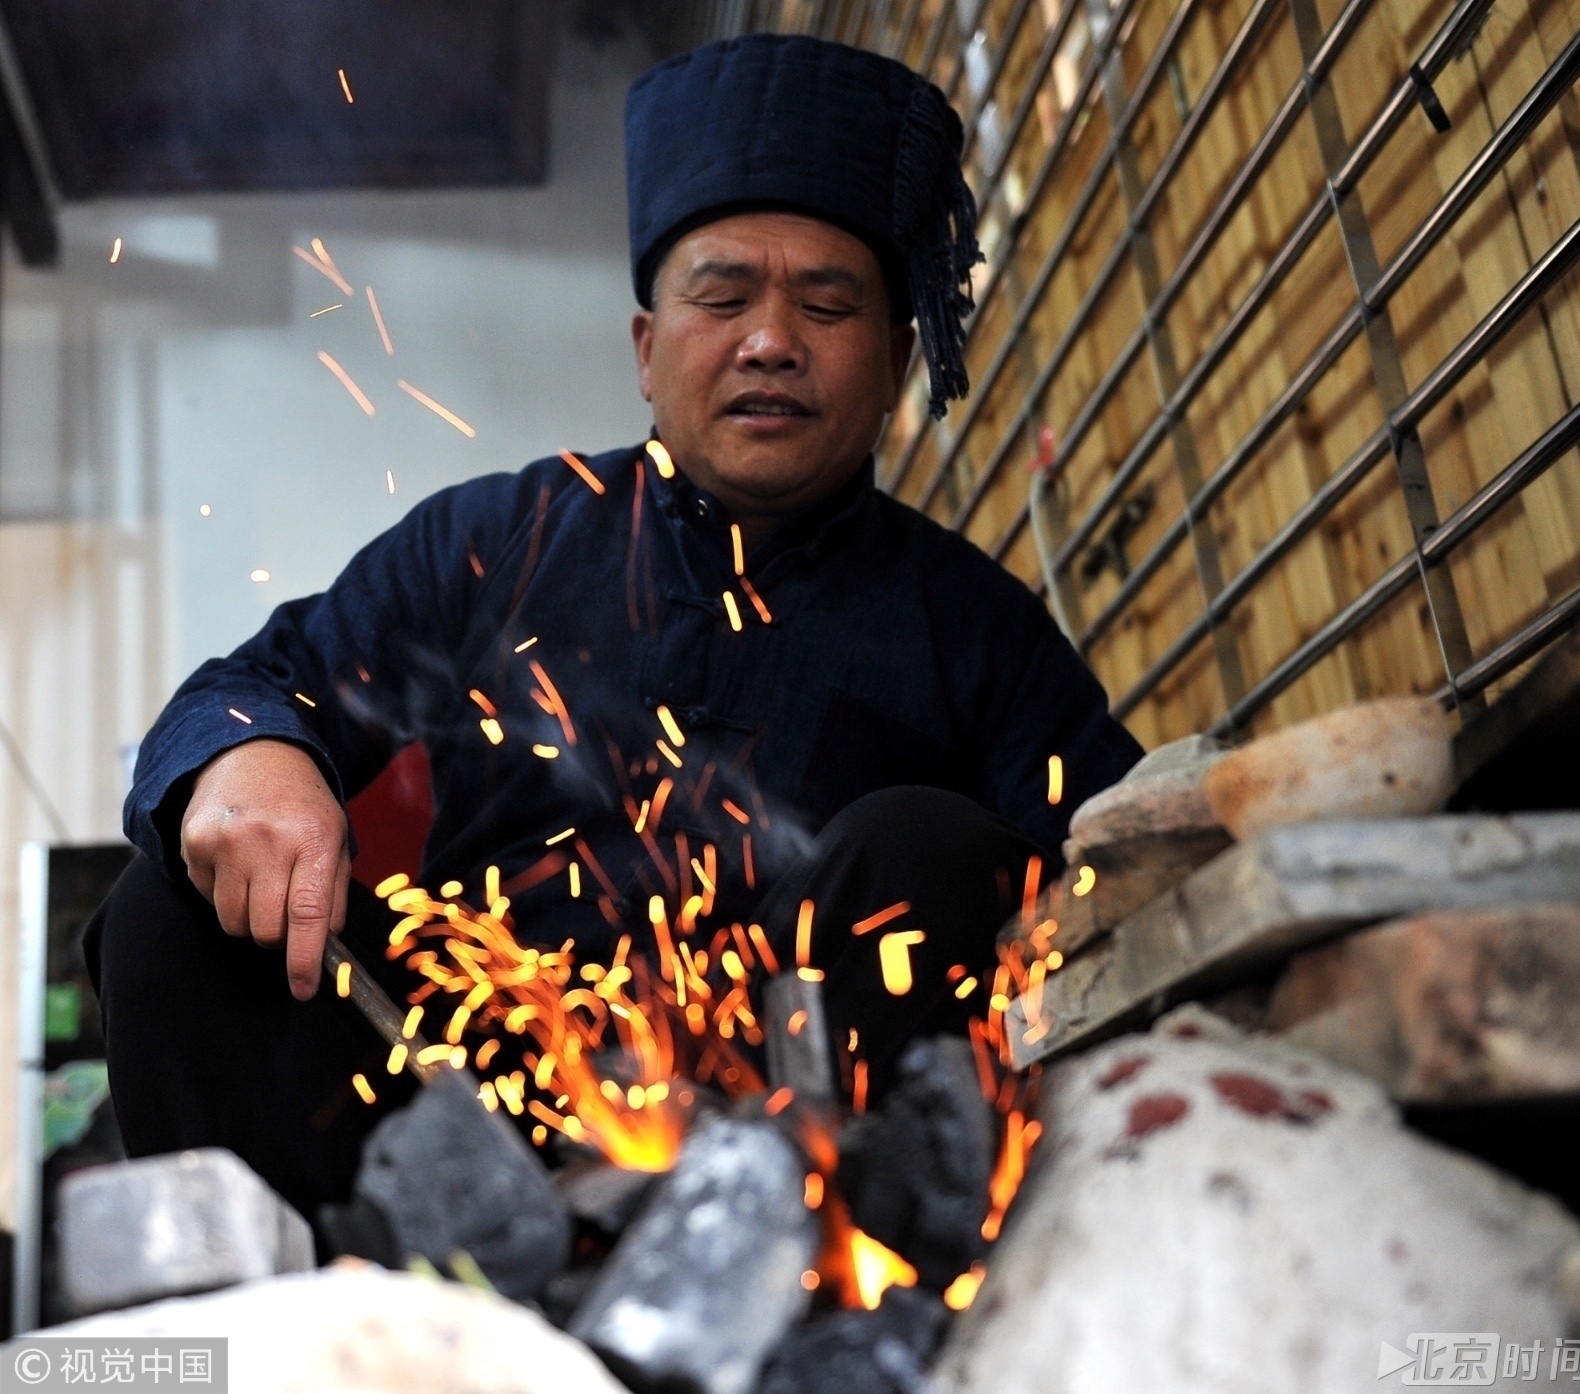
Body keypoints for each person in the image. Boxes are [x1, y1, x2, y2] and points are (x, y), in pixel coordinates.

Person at [88, 32, 1142, 1218]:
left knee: (930, 846)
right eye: (723, 293)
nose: (769, 340)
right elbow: (252, 687)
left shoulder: (976, 626)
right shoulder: (498, 538)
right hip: (451, 1146)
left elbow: (1128, 865)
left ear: (896, 361)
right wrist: (255, 754)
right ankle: (308, 1322)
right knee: (165, 912)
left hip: (808, 1184)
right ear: (647, 349)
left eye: (828, 302)